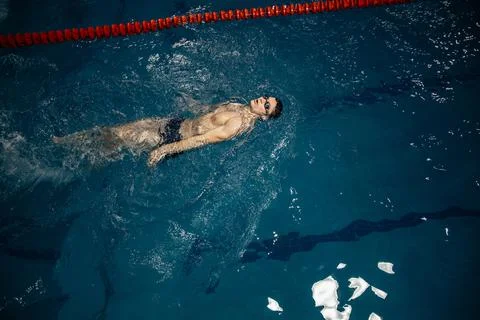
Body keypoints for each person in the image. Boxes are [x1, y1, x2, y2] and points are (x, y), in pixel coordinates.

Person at [53, 96, 283, 167]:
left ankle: (75, 157)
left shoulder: (237, 125)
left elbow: (201, 140)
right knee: (116, 134)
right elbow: (207, 113)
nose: (263, 100)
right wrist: (192, 103)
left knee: (117, 137)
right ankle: (72, 146)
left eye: (266, 105)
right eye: (266, 98)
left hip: (173, 137)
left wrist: (164, 150)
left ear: (264, 116)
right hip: (176, 123)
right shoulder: (238, 105)